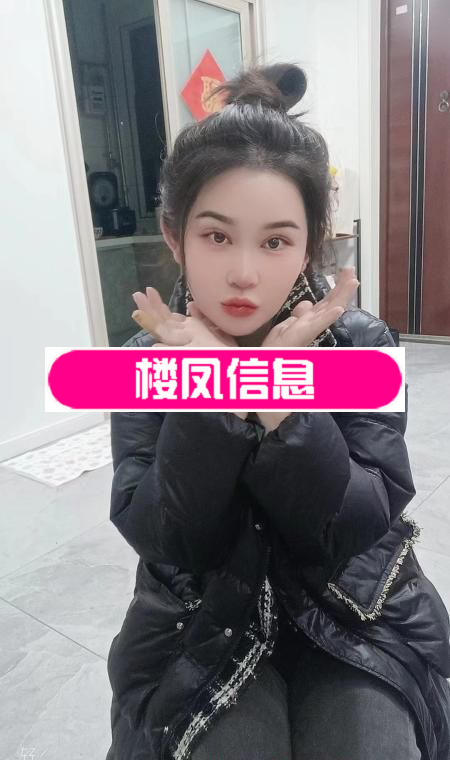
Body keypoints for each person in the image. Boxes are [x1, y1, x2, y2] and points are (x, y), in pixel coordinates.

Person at [105, 63, 450, 760]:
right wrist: (209, 382)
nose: (244, 273)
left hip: (354, 604)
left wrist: (274, 393)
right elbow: (166, 536)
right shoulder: (144, 358)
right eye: (216, 236)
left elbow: (357, 521)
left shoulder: (359, 343)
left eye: (275, 241)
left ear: (309, 244)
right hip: (201, 619)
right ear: (174, 236)